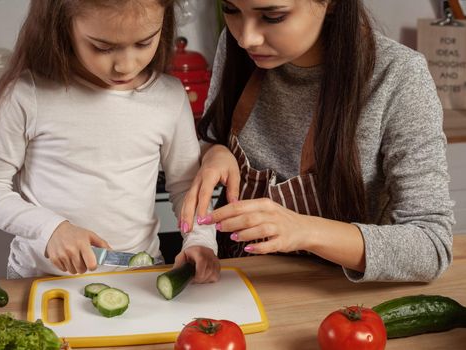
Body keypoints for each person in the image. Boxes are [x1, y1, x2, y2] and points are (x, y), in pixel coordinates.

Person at [180, 0, 455, 282]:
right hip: (241, 282)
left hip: (341, 300)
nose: (246, 37)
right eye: (231, 9)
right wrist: (214, 151)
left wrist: (305, 231)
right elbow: (210, 136)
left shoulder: (398, 75)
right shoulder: (236, 48)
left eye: (273, 16)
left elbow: (431, 245)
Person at [0, 0, 220, 281]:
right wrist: (50, 228)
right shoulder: (27, 95)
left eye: (144, 43)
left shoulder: (169, 97)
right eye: (103, 47)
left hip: (138, 274)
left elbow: (186, 188)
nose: (126, 65)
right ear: (62, 27)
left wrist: (201, 240)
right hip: (42, 277)